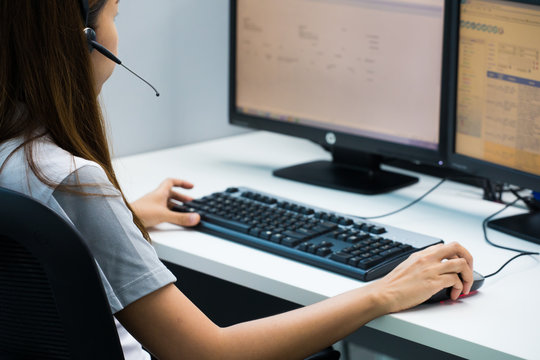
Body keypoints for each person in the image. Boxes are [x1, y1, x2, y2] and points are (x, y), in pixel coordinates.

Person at [0, 1, 475, 359]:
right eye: (116, 16)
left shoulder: (23, 159)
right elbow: (205, 353)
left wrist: (121, 216)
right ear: (84, 40)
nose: (117, 35)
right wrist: (383, 292)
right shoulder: (73, 181)